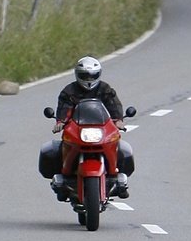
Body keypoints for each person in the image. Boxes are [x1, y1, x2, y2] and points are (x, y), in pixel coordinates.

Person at [46, 54, 134, 198]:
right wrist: (60, 122)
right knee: (59, 147)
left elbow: (113, 104)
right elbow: (64, 107)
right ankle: (63, 177)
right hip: (77, 127)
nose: (88, 79)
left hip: (101, 127)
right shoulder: (69, 91)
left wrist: (118, 120)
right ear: (77, 75)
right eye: (85, 76)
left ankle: (119, 178)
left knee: (120, 146)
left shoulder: (105, 89)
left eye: (92, 76)